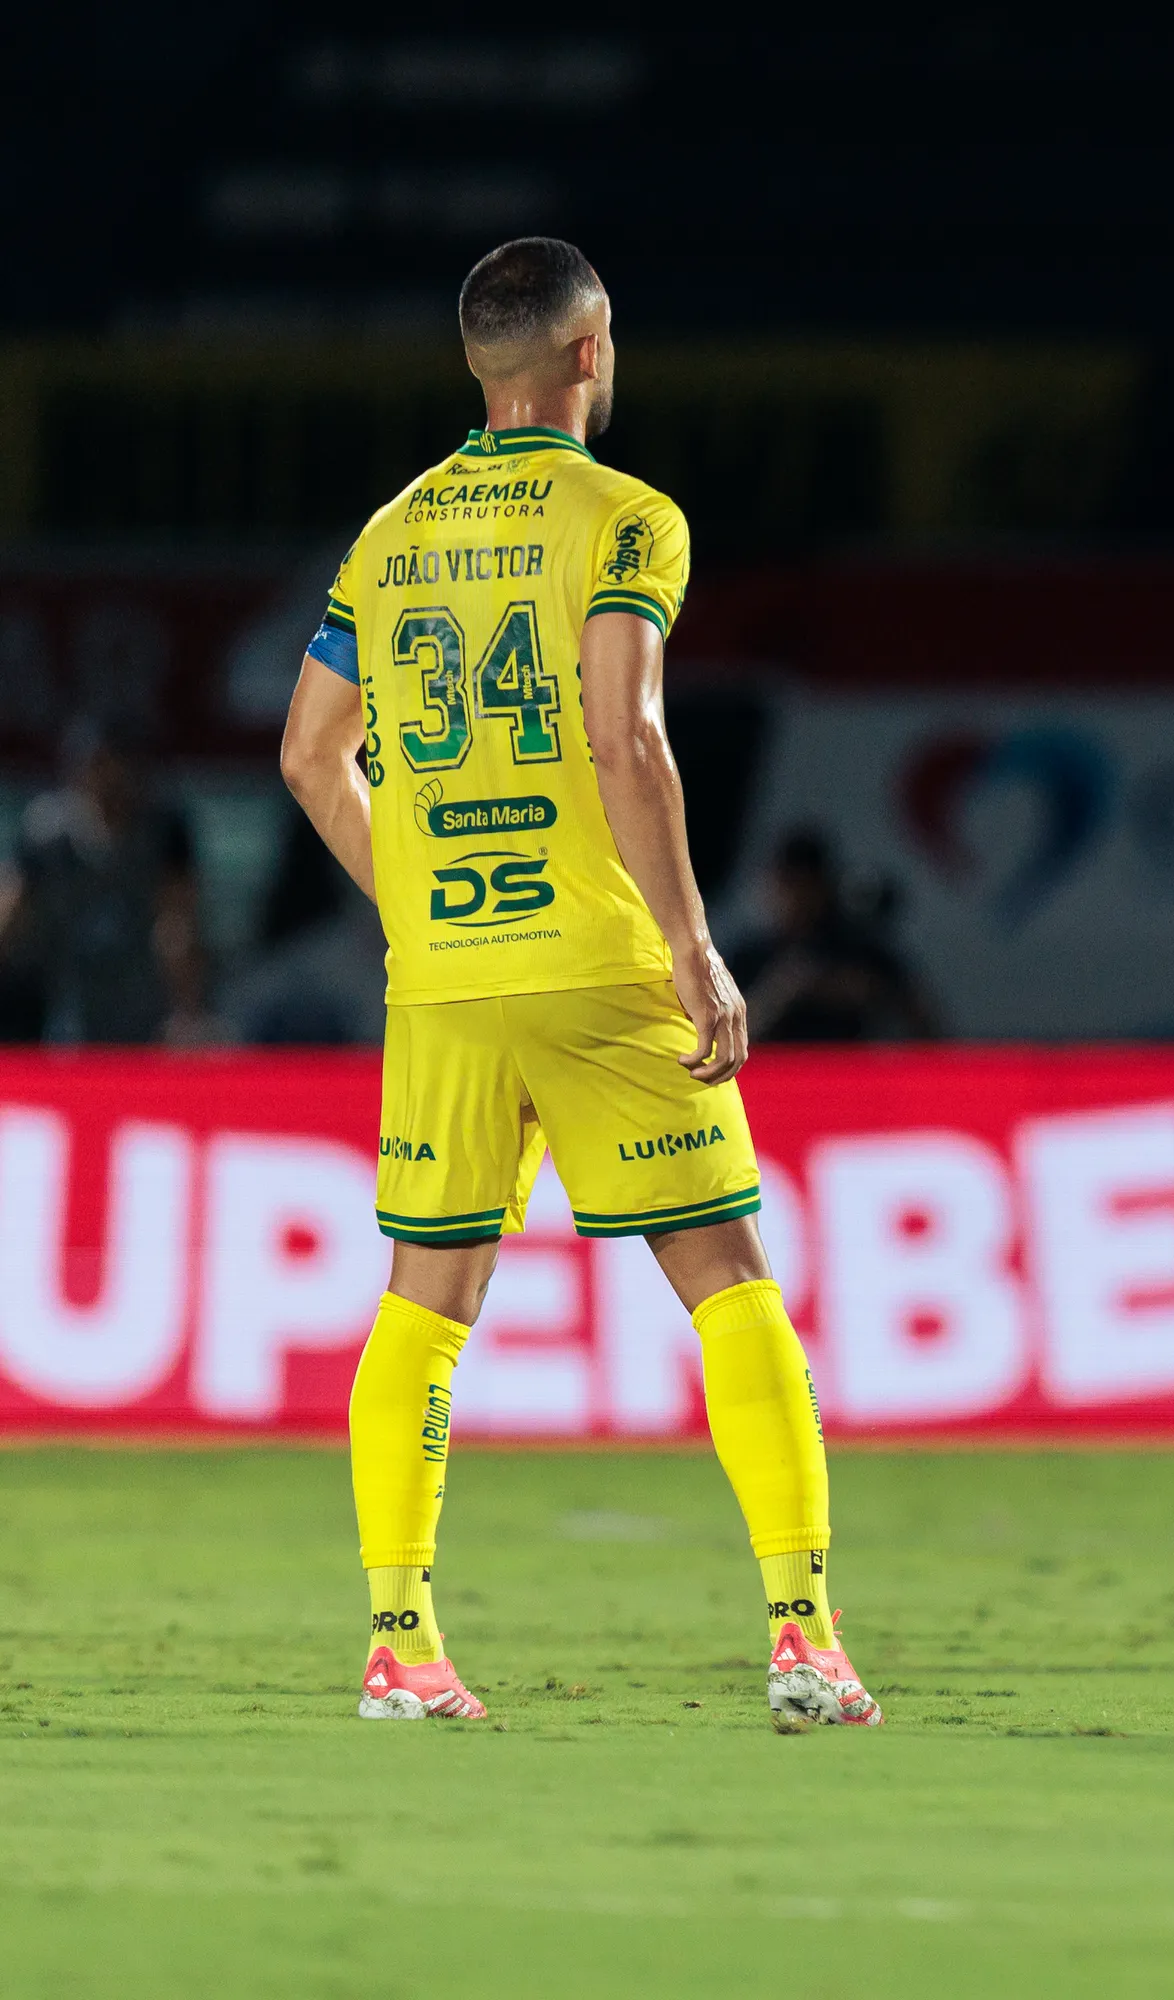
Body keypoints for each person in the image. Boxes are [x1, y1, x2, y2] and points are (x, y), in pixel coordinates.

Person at [277, 236, 881, 1727]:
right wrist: (691, 943)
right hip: (600, 963)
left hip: (448, 977)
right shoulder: (629, 519)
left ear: (478, 364)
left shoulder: (392, 530)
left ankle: (400, 1645)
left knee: (425, 1303)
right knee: (725, 1282)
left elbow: (307, 755)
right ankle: (802, 1634)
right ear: (591, 353)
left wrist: (421, 906)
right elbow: (626, 739)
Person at [0, 720, 213, 1043]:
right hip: (69, 1001)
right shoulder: (47, 834)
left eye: (117, 766)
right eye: (97, 765)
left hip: (142, 1001)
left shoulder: (162, 829)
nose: (108, 779)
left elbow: (177, 924)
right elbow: (12, 913)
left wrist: (187, 1011)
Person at [729, 826, 940, 1042]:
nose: (796, 898)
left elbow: (922, 1021)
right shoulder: (751, 955)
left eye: (806, 886)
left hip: (852, 1069)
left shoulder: (860, 950)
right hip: (776, 1071)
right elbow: (729, 1037)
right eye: (788, 884)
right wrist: (781, 990)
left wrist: (856, 991)